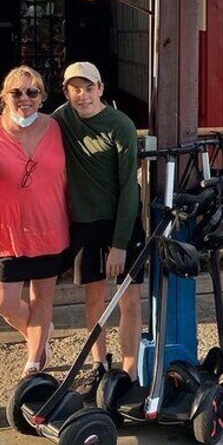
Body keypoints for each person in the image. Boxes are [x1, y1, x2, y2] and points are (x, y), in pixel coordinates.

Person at [54, 62, 145, 400]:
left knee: (129, 297)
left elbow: (129, 188)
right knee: (94, 297)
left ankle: (129, 369)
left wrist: (120, 243)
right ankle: (98, 363)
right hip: (86, 221)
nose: (83, 95)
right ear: (67, 92)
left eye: (89, 88)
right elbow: (21, 126)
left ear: (101, 88)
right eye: (76, 89)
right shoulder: (61, 119)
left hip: (120, 218)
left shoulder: (120, 125)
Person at [0, 66, 70, 377]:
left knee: (42, 297)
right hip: (8, 231)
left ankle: (34, 361)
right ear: (4, 96)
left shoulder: (56, 127)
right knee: (4, 304)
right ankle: (37, 336)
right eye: (16, 92)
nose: (24, 98)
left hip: (50, 226)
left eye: (32, 92)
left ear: (42, 97)